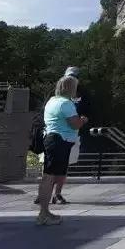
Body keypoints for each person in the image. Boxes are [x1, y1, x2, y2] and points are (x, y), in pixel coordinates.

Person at [35, 76, 87, 226]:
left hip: (53, 140)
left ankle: (45, 212)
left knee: (51, 176)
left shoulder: (52, 101)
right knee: (49, 177)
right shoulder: (66, 104)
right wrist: (82, 120)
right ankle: (43, 214)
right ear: (70, 88)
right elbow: (75, 124)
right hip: (59, 141)